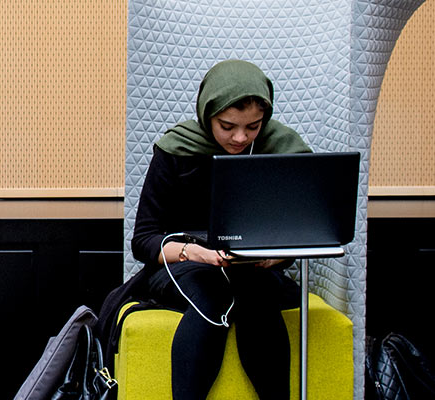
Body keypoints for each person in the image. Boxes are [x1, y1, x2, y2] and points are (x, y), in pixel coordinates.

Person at [130, 59, 312, 400]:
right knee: (212, 295)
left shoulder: (282, 148)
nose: (240, 137)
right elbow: (143, 241)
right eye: (227, 126)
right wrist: (195, 252)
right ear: (207, 113)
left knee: (258, 295)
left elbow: (299, 231)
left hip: (252, 271)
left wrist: (276, 257)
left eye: (253, 127)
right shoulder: (175, 149)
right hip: (182, 265)